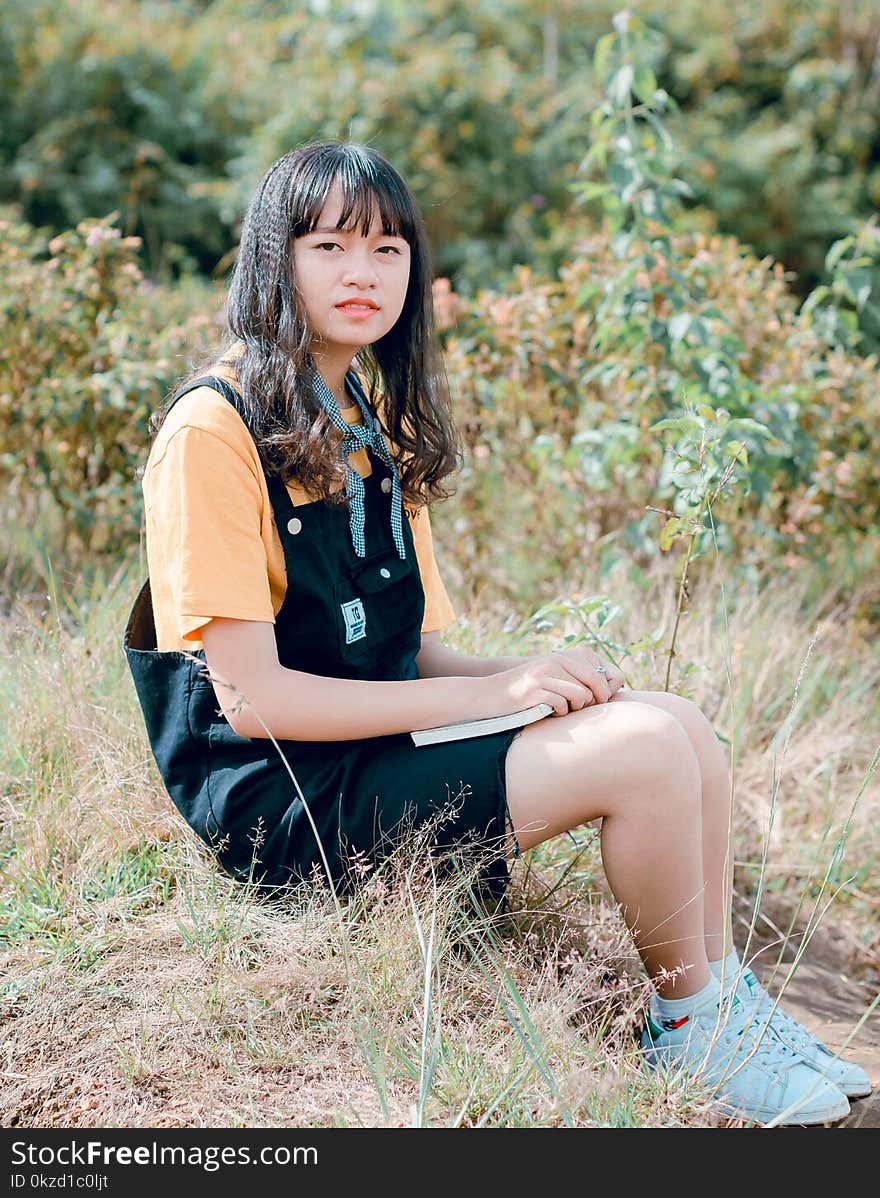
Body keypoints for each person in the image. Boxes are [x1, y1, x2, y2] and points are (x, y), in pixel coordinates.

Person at [123, 140, 871, 1126]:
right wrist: (495, 698)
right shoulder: (212, 432)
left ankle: (721, 1001)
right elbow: (252, 698)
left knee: (673, 720)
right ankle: (690, 1028)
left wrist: (531, 673)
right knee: (643, 752)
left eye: (389, 250)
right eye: (331, 245)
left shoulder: (364, 421)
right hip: (287, 810)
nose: (363, 274)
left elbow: (419, 650)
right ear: (275, 258)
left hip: (369, 759)